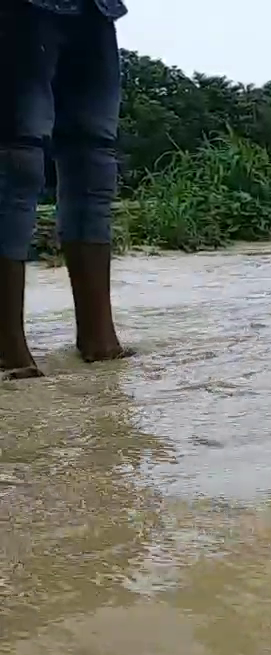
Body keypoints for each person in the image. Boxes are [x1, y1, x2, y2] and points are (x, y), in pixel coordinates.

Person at [1, 0, 132, 379]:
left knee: (94, 164)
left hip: (96, 9)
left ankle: (99, 339)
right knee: (16, 159)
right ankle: (8, 349)